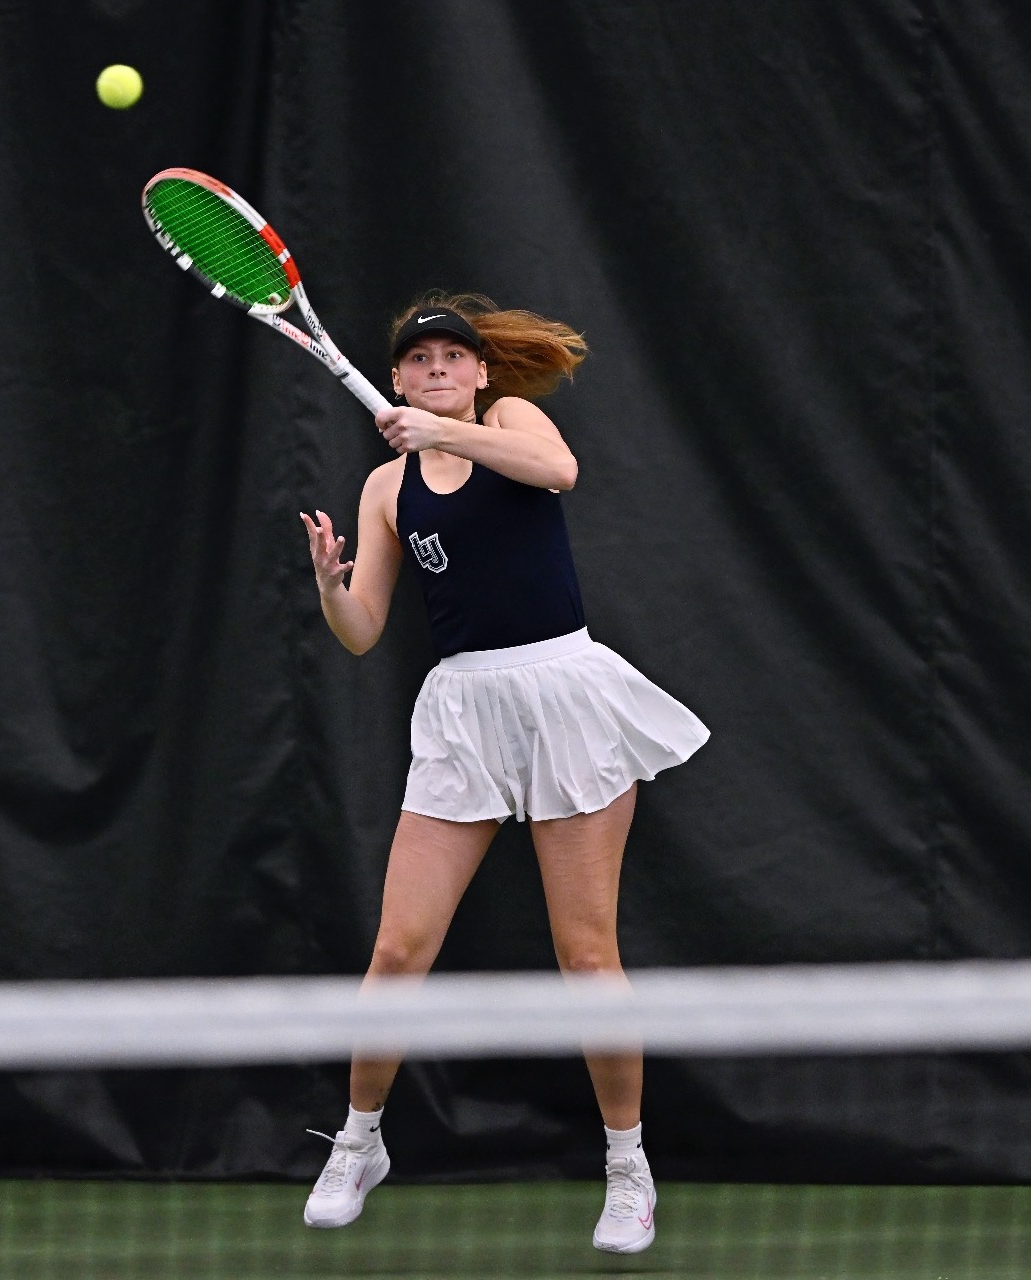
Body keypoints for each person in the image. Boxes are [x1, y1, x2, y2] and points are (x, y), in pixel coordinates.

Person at [297, 294, 708, 1255]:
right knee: (398, 950)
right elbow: (362, 633)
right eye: (419, 359)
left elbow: (558, 471)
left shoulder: (513, 423)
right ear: (394, 378)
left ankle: (627, 1170)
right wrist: (328, 585)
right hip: (461, 715)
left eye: (454, 356)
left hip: (566, 693)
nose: (437, 366)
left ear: (480, 374)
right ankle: (359, 1143)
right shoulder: (384, 490)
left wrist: (447, 432)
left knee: (587, 958)